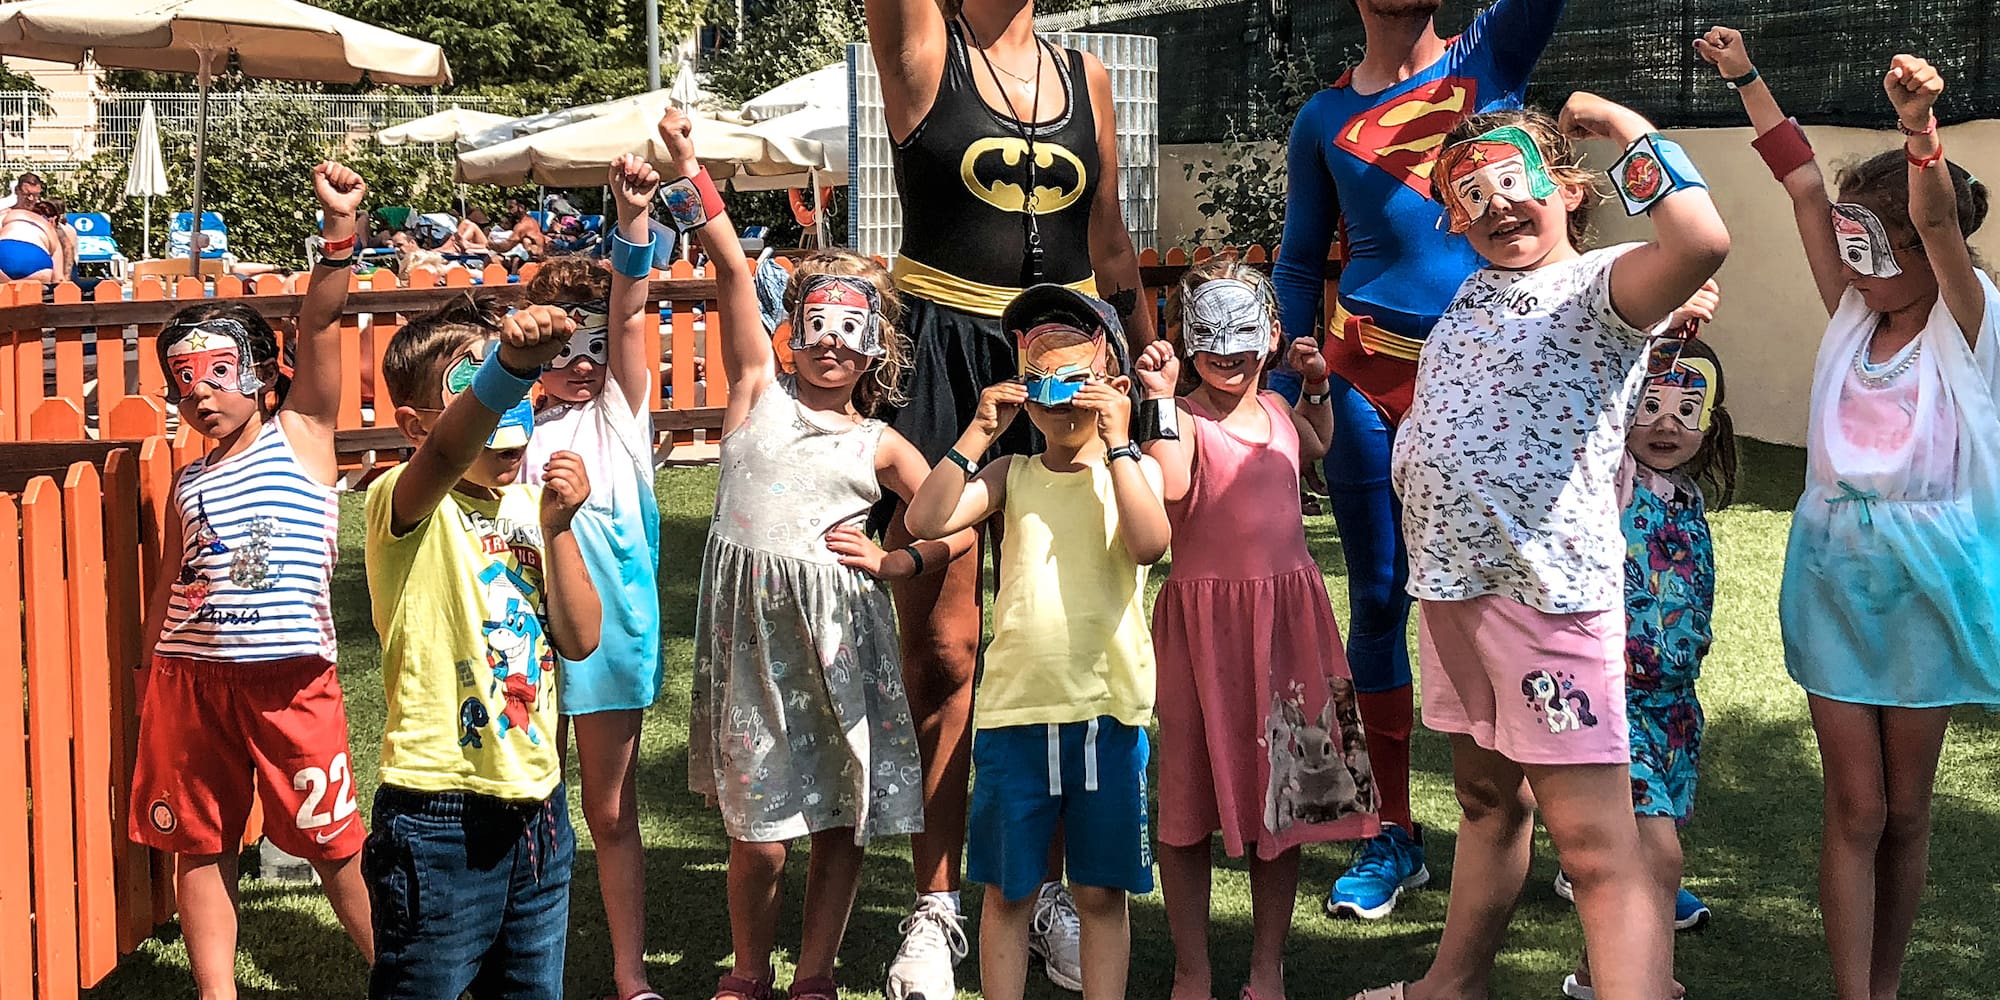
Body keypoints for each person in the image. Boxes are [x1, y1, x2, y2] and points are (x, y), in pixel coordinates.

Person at [1351, 94, 1731, 1000]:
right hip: (1453, 596)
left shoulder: (1603, 287)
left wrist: (1628, 129)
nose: (1498, 207)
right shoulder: (1474, 293)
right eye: (1471, 196)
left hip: (1547, 607)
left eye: (1516, 183)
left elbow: (1701, 242)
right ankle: (1453, 985)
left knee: (1598, 847)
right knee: (1487, 804)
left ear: (1565, 188)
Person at [1699, 28, 2000, 1000]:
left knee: (1906, 810)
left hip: (1928, 581)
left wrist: (1918, 130)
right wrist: (1745, 77)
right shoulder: (1850, 314)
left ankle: (1887, 983)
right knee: (1855, 804)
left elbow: (1941, 230)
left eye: (1873, 246)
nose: (1852, 263)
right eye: (1848, 245)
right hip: (1831, 573)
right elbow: (1796, 184)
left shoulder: (1967, 324)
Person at [864, 0, 1157, 992]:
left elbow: (1108, 240)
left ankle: (1060, 895)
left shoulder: (1090, 79)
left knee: (1073, 631)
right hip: (946, 354)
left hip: (1067, 357)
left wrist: (1148, 380)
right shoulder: (921, 46)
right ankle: (940, 904)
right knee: (944, 652)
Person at [1272, 0, 1570, 922]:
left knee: (1542, 589)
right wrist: (1284, 391)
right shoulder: (1321, 117)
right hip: (1367, 374)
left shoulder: (1489, 54)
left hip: (1498, 366)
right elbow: (1295, 260)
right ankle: (1390, 833)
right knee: (1380, 596)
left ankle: (1586, 829)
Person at [674, 113, 974, 1000]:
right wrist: (691, 171)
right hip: (752, 650)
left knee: (837, 821)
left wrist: (902, 564)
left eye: (852, 333)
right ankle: (748, 969)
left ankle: (814, 974)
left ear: (874, 348)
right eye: (818, 327)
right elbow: (732, 265)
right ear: (792, 333)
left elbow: (954, 521)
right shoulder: (755, 392)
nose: (833, 345)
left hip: (841, 648)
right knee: (759, 836)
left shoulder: (881, 444)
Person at [128, 162, 374, 999]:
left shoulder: (302, 433)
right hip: (189, 680)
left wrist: (338, 234)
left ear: (265, 372)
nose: (201, 395)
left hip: (290, 680)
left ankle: (406, 975)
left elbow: (326, 318)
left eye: (219, 373)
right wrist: (148, 673)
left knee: (332, 837)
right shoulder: (189, 483)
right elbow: (170, 579)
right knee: (198, 840)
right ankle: (215, 991)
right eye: (184, 381)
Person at [907, 285, 1170, 1000]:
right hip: (1014, 718)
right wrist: (976, 431)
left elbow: (1151, 542)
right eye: (1038, 378)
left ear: (1111, 385)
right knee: (1007, 893)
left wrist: (1121, 438)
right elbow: (925, 522)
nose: (1055, 397)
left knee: (1101, 895)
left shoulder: (1131, 472)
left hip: (1107, 718)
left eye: (1073, 377)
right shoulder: (1009, 473)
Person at [1133, 259, 1379, 1000]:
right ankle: (1192, 968)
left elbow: (1317, 446)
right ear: (1185, 338)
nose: (1228, 351)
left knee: (1290, 795)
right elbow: (1171, 486)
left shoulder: (1277, 407)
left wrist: (1316, 388)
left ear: (1271, 335)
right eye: (1210, 334)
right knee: (1186, 800)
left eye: (1245, 333)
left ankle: (1266, 966)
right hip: (1205, 632)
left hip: (1289, 627)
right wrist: (1156, 400)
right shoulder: (1179, 419)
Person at [362, 298, 602, 999]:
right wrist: (506, 366)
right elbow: (446, 451)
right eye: (477, 398)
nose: (506, 421)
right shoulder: (401, 504)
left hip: (539, 810)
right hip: (439, 814)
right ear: (413, 424)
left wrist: (559, 531)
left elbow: (581, 639)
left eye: (515, 396)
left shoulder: (532, 511)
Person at [516, 156, 668, 1000]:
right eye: (561, 346)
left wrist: (632, 219)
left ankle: (627, 972)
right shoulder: (513, 428)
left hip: (611, 643)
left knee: (609, 815)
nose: (583, 362)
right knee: (530, 806)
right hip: (522, 637)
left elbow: (635, 306)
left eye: (595, 345)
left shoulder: (621, 416)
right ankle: (525, 963)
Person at [1560, 334, 1737, 1000]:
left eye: (1686, 409)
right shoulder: (1616, 481)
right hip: (1617, 705)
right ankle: (1646, 983)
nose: (1666, 423)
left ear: (1710, 424)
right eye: (1650, 404)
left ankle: (1592, 977)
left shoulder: (1686, 497)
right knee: (1657, 857)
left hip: (1675, 711)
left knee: (1637, 864)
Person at [0, 201, 65, 282]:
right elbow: (58, 279)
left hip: (4, 252)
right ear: (53, 220)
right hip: (38, 262)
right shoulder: (50, 230)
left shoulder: (10, 214)